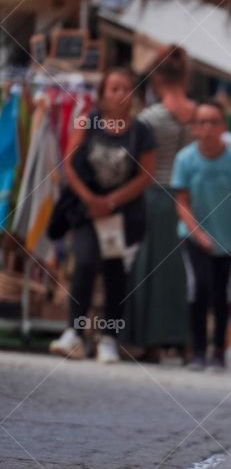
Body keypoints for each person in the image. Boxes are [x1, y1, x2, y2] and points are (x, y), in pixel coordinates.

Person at [49, 67, 155, 364]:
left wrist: (111, 201)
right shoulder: (88, 122)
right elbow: (69, 164)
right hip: (86, 210)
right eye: (114, 88)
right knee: (83, 263)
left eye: (126, 88)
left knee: (115, 273)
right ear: (103, 94)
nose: (121, 94)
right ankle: (74, 332)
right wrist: (91, 200)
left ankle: (109, 337)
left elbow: (145, 175)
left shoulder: (142, 132)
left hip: (123, 214)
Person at [172, 99, 231, 371]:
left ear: (222, 127)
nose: (207, 128)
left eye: (213, 122)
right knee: (199, 289)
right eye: (202, 122)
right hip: (193, 237)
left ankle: (218, 350)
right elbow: (181, 202)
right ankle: (197, 350)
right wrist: (198, 234)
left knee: (222, 295)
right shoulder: (185, 159)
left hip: (226, 239)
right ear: (194, 128)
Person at [125, 46, 196, 361]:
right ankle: (186, 341)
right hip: (192, 199)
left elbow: (136, 162)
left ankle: (151, 342)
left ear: (156, 80)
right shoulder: (201, 115)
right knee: (185, 272)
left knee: (150, 271)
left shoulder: (149, 118)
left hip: (154, 195)